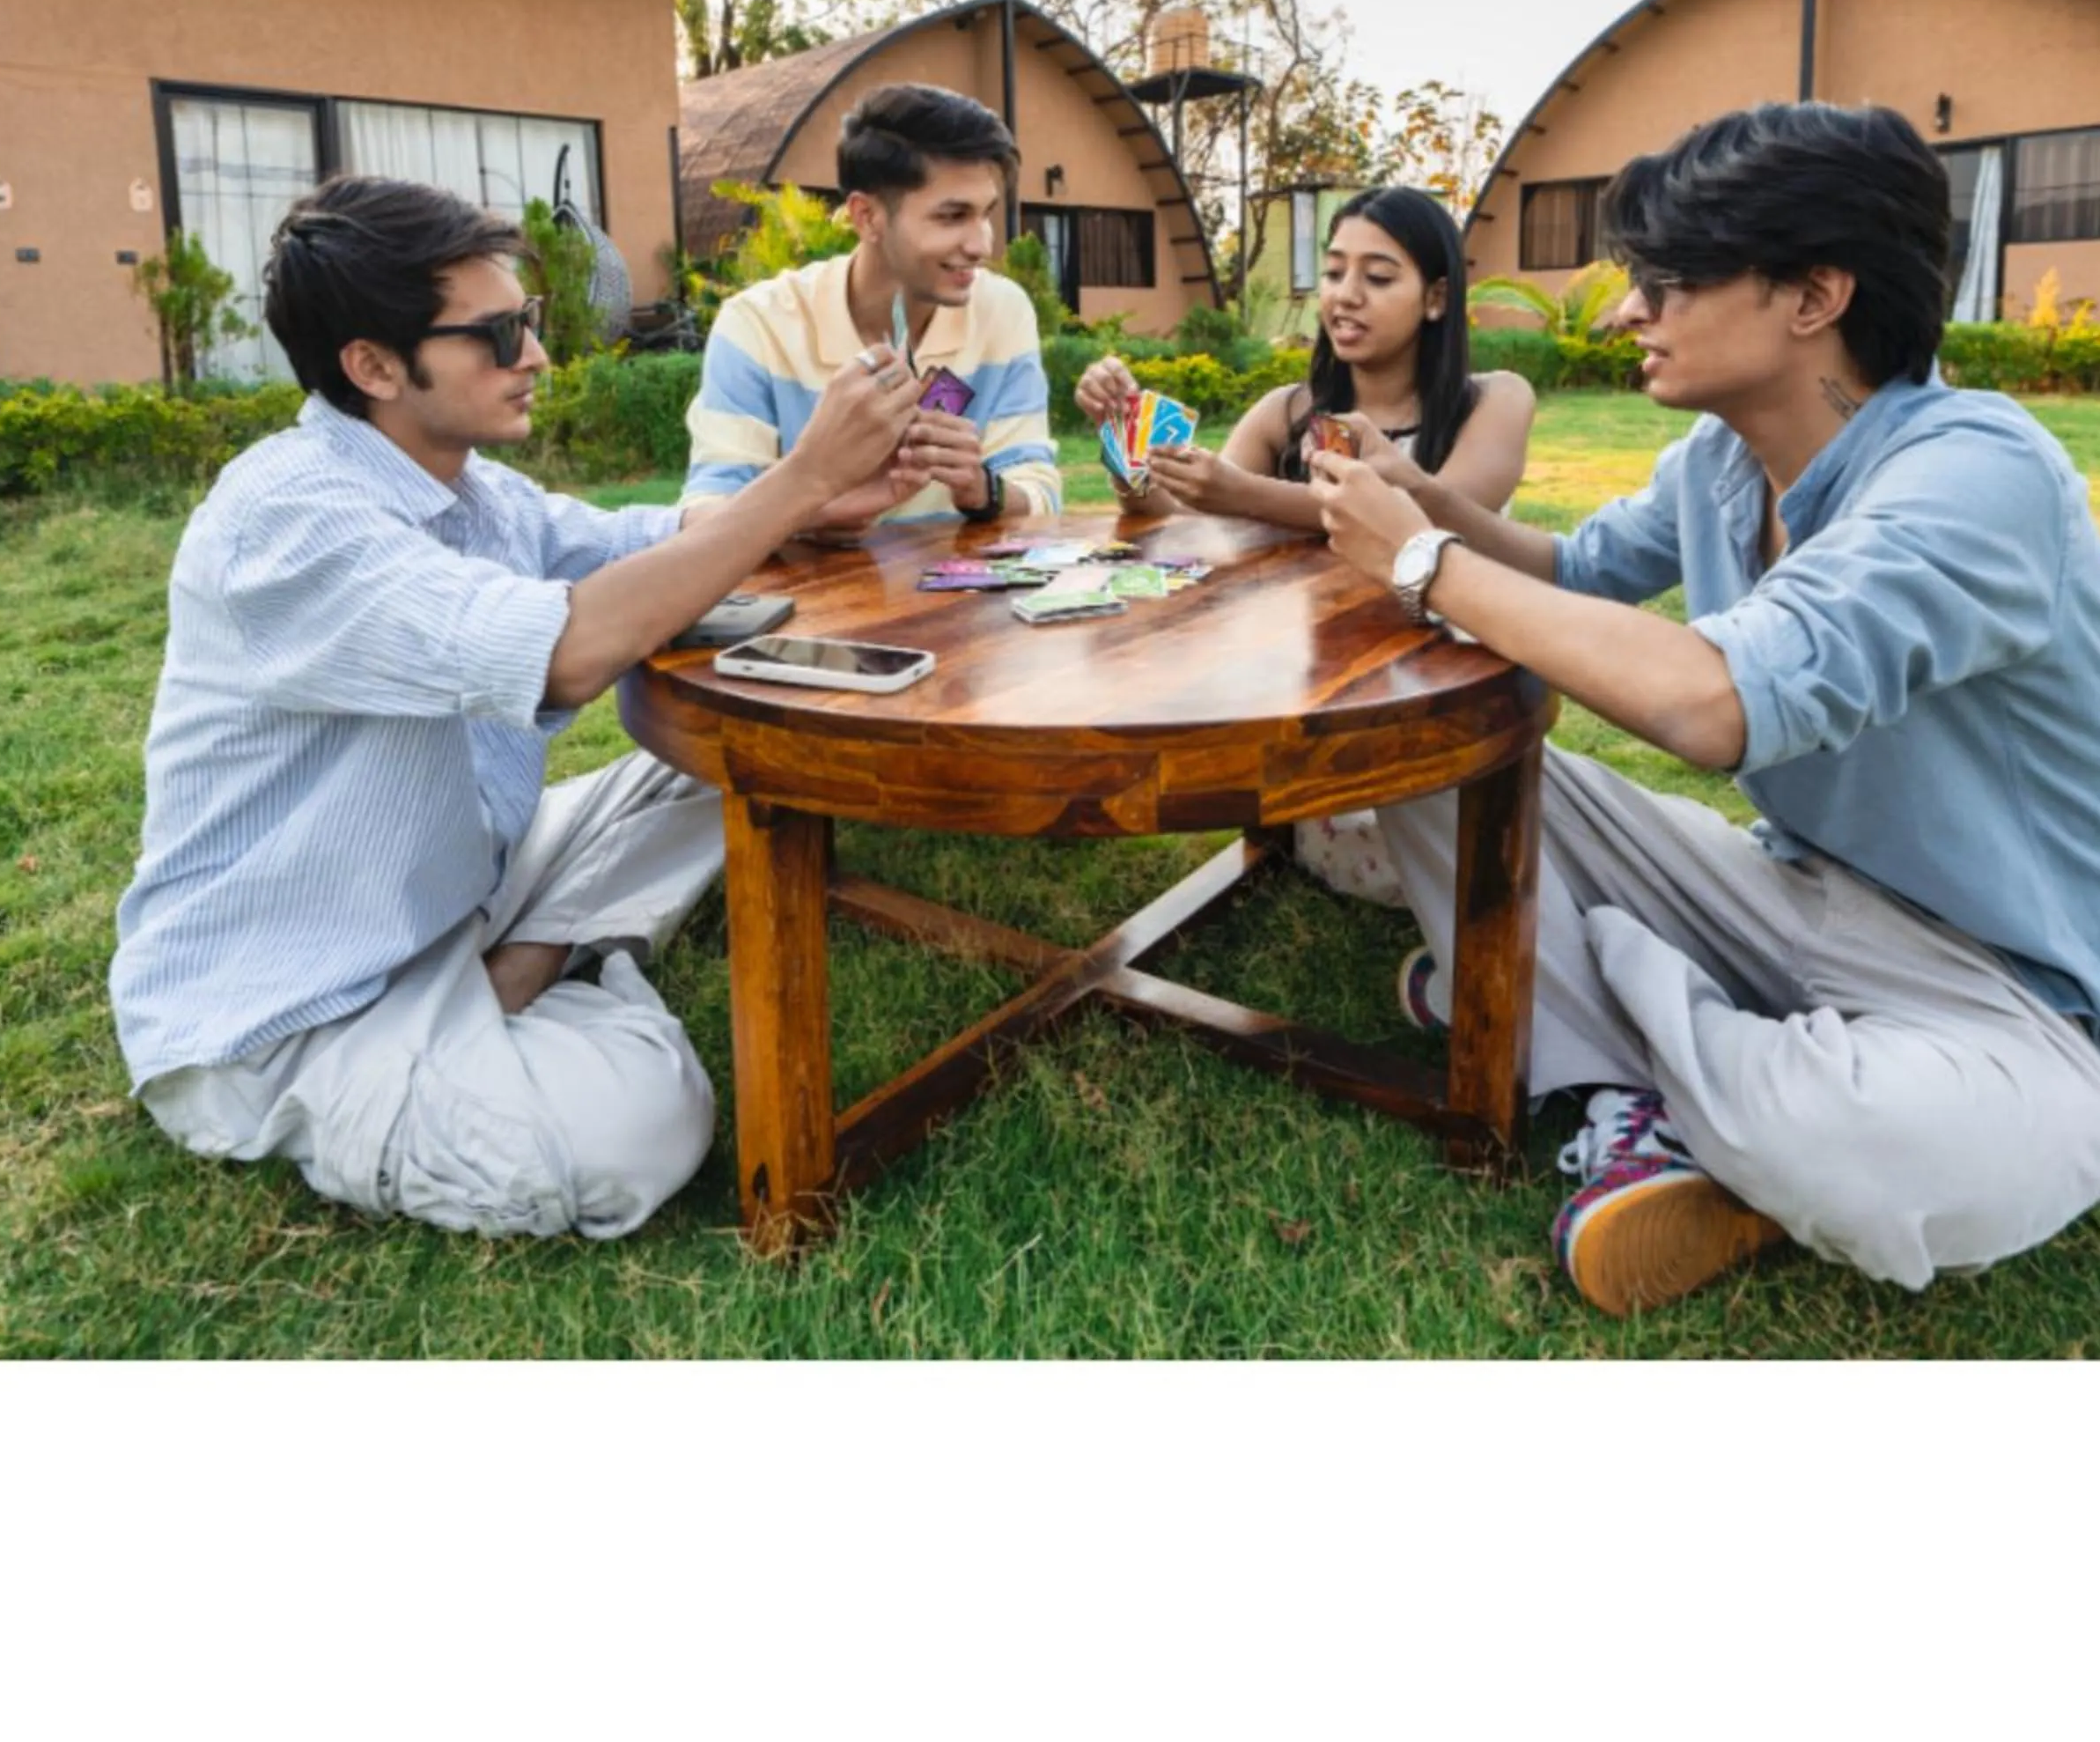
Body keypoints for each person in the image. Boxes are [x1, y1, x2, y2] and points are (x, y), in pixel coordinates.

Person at [1310, 103, 2100, 1316]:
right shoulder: (1722, 460)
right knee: (1421, 746)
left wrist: (1420, 566)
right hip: (1796, 892)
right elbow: (1567, 570)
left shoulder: (1976, 475)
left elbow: (1715, 703)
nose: (1627, 311)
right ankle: (1619, 1027)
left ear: (1815, 294)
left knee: (1872, 1139)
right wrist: (1422, 498)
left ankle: (1567, 1010)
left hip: (2017, 994)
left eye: (1666, 281)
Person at [110, 174, 918, 1240]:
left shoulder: (467, 484)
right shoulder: (289, 520)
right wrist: (802, 478)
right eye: (497, 334)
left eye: (526, 322)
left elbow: (640, 542)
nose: (535, 354)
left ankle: (521, 966)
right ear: (373, 366)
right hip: (294, 1004)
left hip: (453, 880)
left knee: (741, 745)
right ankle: (509, 1000)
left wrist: (817, 506)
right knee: (638, 1128)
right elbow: (569, 654)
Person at [1072, 186, 1535, 897]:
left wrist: (1246, 494)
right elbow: (1181, 529)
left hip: (1444, 705)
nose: (1346, 296)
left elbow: (1443, 515)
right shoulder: (1285, 412)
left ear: (1436, 298)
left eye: (1378, 278)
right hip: (1317, 719)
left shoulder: (1495, 400)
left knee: (1459, 846)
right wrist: (1123, 442)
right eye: (1333, 272)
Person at [682, 83, 1060, 534]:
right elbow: (704, 517)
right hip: (810, 599)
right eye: (952, 216)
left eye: (986, 214)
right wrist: (821, 499)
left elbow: (1040, 492)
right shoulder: (760, 326)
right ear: (867, 217)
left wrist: (984, 491)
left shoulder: (1001, 311)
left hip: (965, 600)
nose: (981, 245)